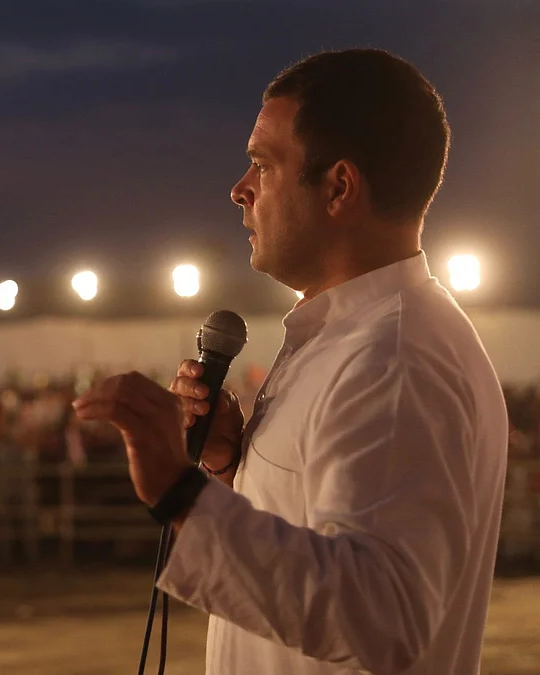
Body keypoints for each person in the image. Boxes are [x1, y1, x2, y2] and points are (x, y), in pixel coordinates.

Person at [73, 49, 508, 675]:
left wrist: (180, 491)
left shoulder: (392, 358)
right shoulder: (350, 335)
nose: (239, 189)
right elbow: (319, 543)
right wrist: (232, 467)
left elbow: (381, 615)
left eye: (262, 164)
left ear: (339, 188)